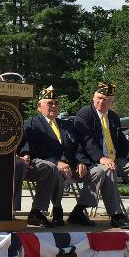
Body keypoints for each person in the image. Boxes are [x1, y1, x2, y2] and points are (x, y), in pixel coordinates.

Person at [73, 82, 129, 229]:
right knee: (109, 169)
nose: (101, 102)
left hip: (114, 159)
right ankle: (116, 215)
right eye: (99, 97)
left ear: (112, 101)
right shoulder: (85, 114)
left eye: (106, 99)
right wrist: (101, 158)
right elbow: (86, 140)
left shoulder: (113, 117)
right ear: (93, 97)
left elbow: (121, 140)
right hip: (93, 160)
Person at [15, 86, 86, 227]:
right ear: (39, 107)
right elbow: (32, 148)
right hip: (41, 162)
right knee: (55, 169)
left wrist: (80, 161)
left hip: (69, 165)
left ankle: (79, 211)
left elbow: (77, 146)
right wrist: (55, 161)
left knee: (95, 171)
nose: (53, 106)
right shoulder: (32, 123)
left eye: (56, 103)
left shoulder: (66, 125)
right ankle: (54, 209)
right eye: (49, 103)